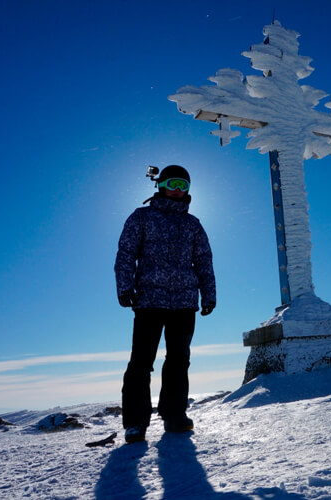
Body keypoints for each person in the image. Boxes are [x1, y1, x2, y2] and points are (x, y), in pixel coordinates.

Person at [115, 165, 216, 444]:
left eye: (183, 185)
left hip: (184, 302)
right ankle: (135, 423)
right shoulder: (142, 217)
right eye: (172, 183)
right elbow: (126, 254)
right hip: (149, 300)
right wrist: (124, 288)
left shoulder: (193, 224)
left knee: (178, 360)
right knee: (141, 361)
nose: (177, 190)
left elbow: (204, 262)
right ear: (160, 185)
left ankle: (174, 416)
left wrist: (209, 295)